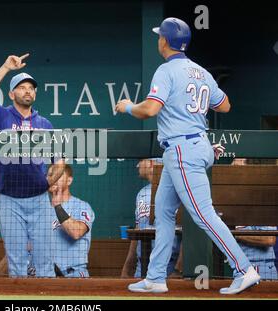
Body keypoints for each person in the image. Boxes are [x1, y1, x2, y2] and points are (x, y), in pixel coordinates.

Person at [116, 17, 260, 294]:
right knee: (164, 213)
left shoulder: (166, 70)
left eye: (160, 36)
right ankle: (156, 277)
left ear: (165, 41)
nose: (158, 39)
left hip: (183, 150)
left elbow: (149, 110)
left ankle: (244, 269)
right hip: (191, 147)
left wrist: (127, 107)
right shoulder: (201, 72)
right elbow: (226, 105)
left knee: (204, 214)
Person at [0, 54, 65, 277]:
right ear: (11, 93)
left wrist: (48, 181)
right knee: (16, 261)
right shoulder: (1, 116)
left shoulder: (44, 124)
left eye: (31, 88)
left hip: (38, 199)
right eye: (22, 87)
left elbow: (59, 161)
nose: (27, 91)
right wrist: (6, 67)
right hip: (9, 199)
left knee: (45, 259)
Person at [120, 159, 181, 278]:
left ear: (151, 163)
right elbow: (138, 231)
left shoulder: (176, 190)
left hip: (168, 266)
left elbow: (188, 233)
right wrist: (127, 267)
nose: (138, 167)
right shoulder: (142, 193)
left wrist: (179, 269)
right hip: (142, 265)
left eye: (140, 163)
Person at [230, 158, 277, 280]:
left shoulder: (261, 199)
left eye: (240, 171)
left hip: (262, 268)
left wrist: (233, 234)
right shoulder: (228, 202)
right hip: (239, 268)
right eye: (232, 172)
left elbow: (269, 239)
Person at [49, 164, 95, 278]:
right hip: (45, 275)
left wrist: (58, 207)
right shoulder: (39, 210)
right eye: (49, 175)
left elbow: (77, 232)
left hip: (73, 275)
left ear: (69, 181)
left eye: (58, 175)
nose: (52, 178)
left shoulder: (81, 206)